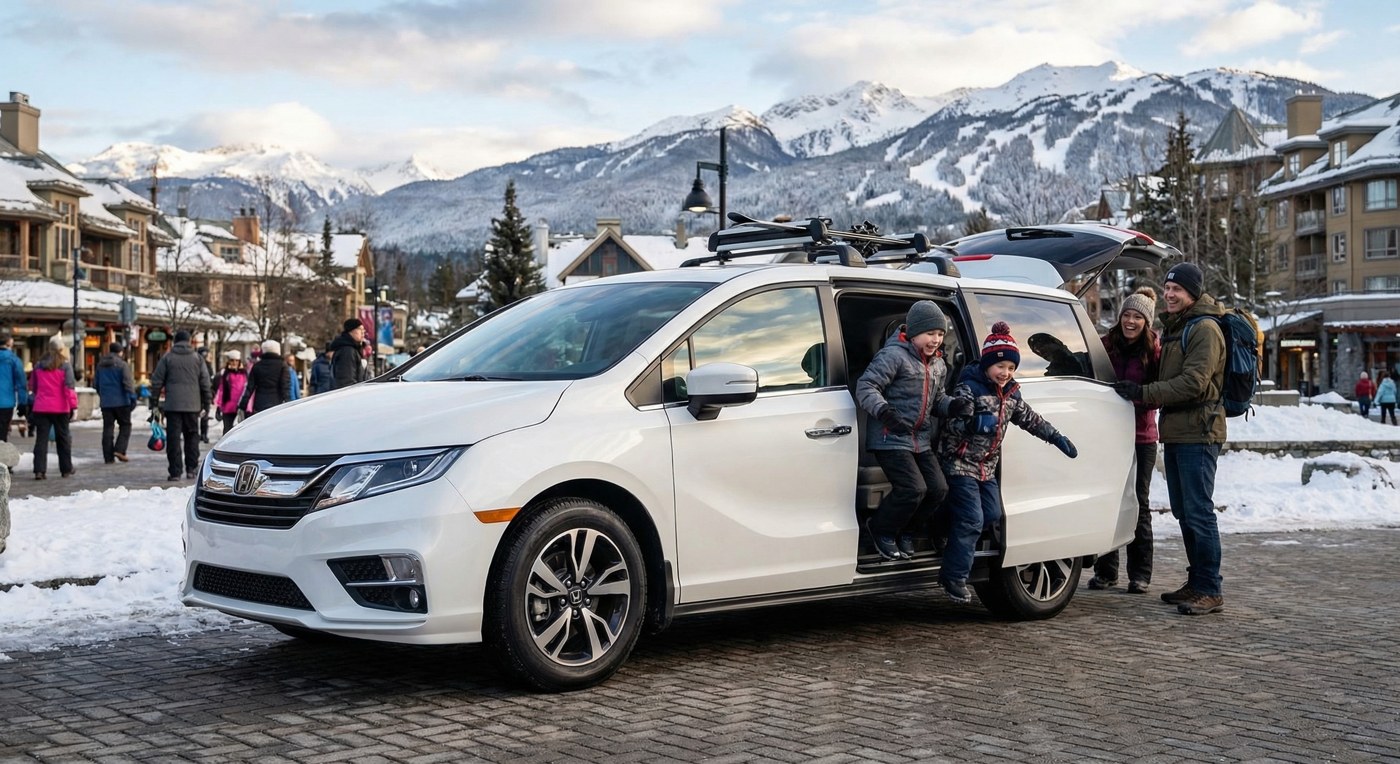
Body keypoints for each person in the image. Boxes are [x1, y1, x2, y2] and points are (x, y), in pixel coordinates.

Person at [1112, 262, 1227, 616]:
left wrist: (1144, 392)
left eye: (1177, 289)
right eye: (1167, 288)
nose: (1170, 294)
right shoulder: (1180, 328)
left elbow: (1194, 382)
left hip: (1200, 432)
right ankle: (1196, 583)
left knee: (1199, 511)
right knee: (1184, 512)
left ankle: (1210, 588)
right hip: (1178, 431)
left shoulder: (1205, 329)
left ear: (1193, 292)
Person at [939, 321, 1078, 603]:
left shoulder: (1012, 394)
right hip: (960, 462)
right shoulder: (970, 388)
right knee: (971, 519)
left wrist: (1056, 437)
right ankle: (953, 577)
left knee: (990, 515)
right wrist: (972, 421)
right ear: (988, 365)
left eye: (1011, 368)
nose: (1005, 373)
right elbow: (950, 422)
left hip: (986, 468)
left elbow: (1031, 419)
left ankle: (944, 528)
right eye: (1000, 367)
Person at [854, 301, 970, 560]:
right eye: (930, 334)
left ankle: (907, 532)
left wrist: (954, 406)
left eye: (940, 334)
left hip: (920, 439)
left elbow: (938, 401)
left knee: (939, 489)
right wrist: (884, 412)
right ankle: (881, 529)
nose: (936, 340)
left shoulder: (938, 365)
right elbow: (866, 387)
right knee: (913, 488)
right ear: (914, 332)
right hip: (890, 436)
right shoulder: (893, 356)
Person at [1088, 288, 1161, 593]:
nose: (1131, 321)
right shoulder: (1106, 344)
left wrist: (1138, 394)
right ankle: (1107, 571)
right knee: (1109, 500)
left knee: (1138, 503)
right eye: (1127, 315)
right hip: (1109, 434)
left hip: (1141, 436)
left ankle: (1140, 574)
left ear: (1147, 322)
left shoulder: (1155, 350)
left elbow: (1160, 391)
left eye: (1138, 317)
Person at [150, 330, 212, 482]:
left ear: (175, 341)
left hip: (173, 406)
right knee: (192, 437)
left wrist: (154, 402)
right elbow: (205, 382)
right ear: (190, 341)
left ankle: (175, 471)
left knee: (173, 439)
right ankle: (191, 468)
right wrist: (206, 402)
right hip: (193, 406)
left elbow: (157, 381)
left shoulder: (167, 358)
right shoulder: (197, 358)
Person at [27, 339, 78, 480]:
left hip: (41, 407)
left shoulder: (38, 366)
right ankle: (66, 468)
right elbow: (69, 388)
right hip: (60, 408)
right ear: (62, 349)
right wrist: (74, 405)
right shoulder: (65, 366)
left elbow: (33, 387)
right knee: (63, 439)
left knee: (41, 440)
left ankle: (39, 470)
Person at [94, 342, 137, 464]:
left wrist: (103, 395)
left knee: (108, 428)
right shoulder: (122, 365)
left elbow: (96, 384)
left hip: (106, 402)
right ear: (120, 352)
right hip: (122, 401)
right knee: (125, 425)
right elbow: (127, 383)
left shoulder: (100, 365)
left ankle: (108, 457)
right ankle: (120, 449)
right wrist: (132, 397)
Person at [239, 339, 292, 416]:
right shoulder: (282, 366)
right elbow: (285, 387)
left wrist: (242, 405)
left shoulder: (257, 366)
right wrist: (289, 403)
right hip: (277, 403)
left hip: (259, 404)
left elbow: (249, 388)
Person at [211, 349, 248, 435]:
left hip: (241, 405)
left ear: (239, 361)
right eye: (232, 360)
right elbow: (221, 390)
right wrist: (219, 406)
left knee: (242, 430)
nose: (234, 362)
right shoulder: (225, 374)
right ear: (229, 361)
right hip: (228, 405)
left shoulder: (244, 373)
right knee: (227, 429)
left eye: (236, 360)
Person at [0, 331, 25, 442]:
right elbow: (21, 384)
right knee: (2, 435)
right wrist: (22, 403)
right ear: (9, 344)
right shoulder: (14, 360)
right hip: (6, 403)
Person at [330, 318, 367, 389]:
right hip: (350, 395)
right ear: (351, 331)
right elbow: (347, 382)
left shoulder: (352, 349)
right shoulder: (348, 351)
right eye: (360, 329)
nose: (363, 332)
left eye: (363, 330)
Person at [196, 346, 214, 442]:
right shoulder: (203, 365)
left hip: (201, 393)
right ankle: (202, 434)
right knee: (203, 414)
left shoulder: (206, 365)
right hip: (201, 393)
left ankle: (203, 434)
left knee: (204, 414)